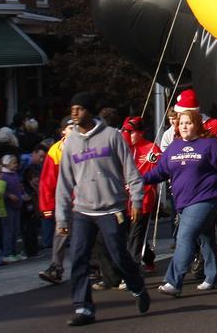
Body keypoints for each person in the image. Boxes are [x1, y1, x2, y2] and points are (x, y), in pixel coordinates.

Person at [55, 92, 150, 327]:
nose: (74, 114)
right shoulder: (71, 143)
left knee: (118, 255)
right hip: (83, 211)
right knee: (78, 258)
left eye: (79, 109)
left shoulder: (111, 137)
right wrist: (62, 217)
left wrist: (136, 200)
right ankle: (84, 307)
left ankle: (137, 287)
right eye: (72, 109)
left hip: (111, 208)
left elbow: (131, 171)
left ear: (90, 111)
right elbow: (64, 182)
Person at [143, 108, 217, 295]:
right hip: (183, 202)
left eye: (189, 122)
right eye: (181, 123)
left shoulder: (211, 144)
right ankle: (213, 276)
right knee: (206, 238)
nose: (184, 126)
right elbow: (160, 171)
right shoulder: (174, 146)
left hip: (207, 198)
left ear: (197, 124)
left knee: (184, 237)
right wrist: (139, 180)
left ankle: (173, 281)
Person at [121, 115, 163, 273]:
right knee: (129, 234)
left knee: (136, 235)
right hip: (124, 199)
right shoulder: (122, 148)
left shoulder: (151, 149)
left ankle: (132, 269)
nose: (128, 135)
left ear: (140, 132)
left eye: (132, 132)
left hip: (144, 198)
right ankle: (148, 257)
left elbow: (162, 169)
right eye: (126, 131)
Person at [38, 117, 73, 284]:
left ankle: (94, 266)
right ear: (63, 131)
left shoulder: (87, 146)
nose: (73, 130)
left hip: (85, 200)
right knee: (61, 233)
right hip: (64, 202)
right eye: (69, 128)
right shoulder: (56, 151)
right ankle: (56, 268)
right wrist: (47, 206)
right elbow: (47, 181)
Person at [0, 154, 25, 262]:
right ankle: (7, 252)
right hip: (8, 206)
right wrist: (8, 195)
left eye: (16, 163)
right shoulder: (4, 176)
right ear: (7, 164)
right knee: (8, 230)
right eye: (13, 163)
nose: (16, 165)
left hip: (16, 205)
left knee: (15, 230)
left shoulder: (14, 174)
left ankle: (14, 251)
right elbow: (1, 191)